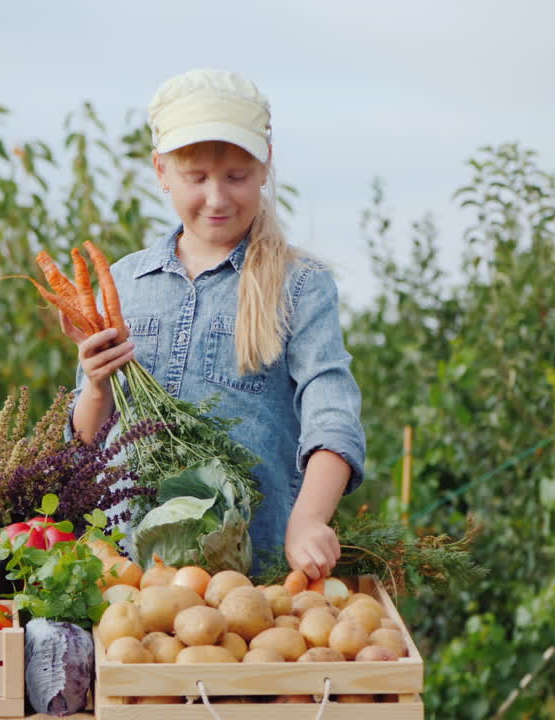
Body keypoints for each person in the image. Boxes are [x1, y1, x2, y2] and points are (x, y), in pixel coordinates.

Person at [65, 69, 365, 580]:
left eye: (235, 176)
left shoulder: (300, 285)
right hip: (126, 577)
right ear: (161, 171)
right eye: (196, 177)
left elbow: (332, 416)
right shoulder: (124, 283)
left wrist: (310, 520)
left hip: (247, 578)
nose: (218, 198)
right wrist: (94, 387)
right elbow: (85, 448)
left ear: (265, 166)